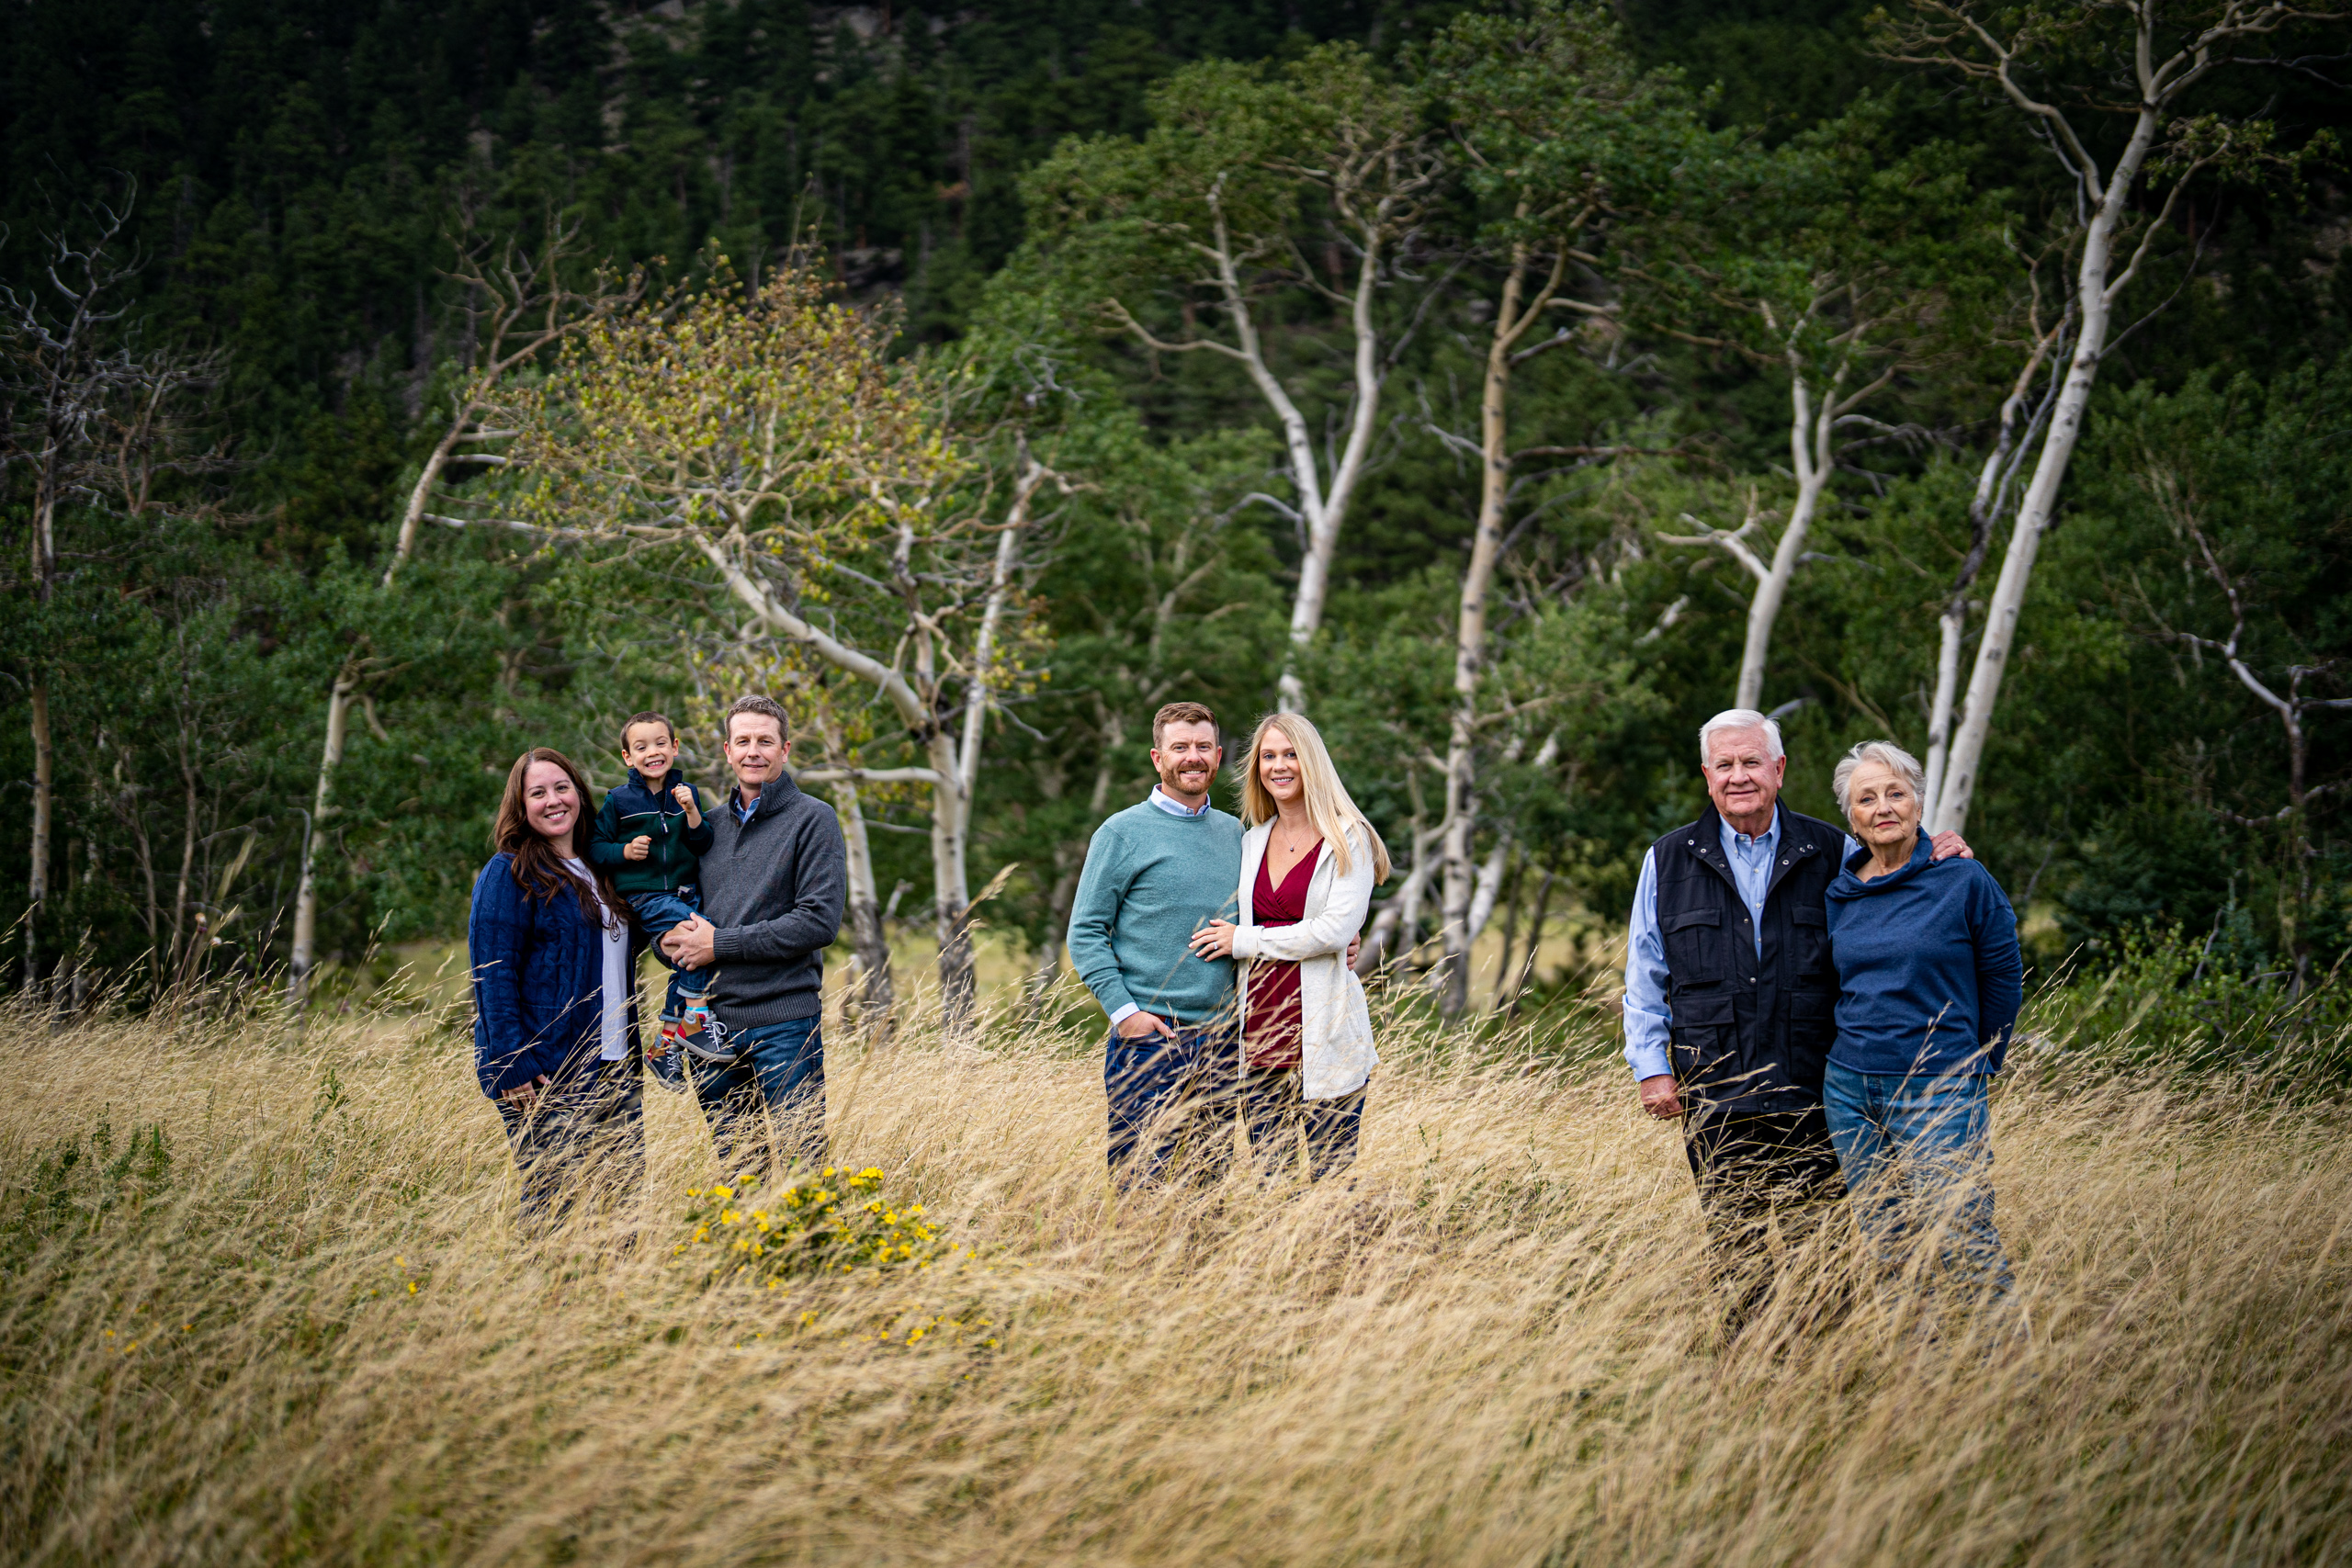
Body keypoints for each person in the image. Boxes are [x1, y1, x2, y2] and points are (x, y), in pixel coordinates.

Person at [1622, 708, 1972, 1333]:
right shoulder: (1668, 860)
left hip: (1817, 1088)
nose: (1738, 775)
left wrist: (1938, 849)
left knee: (1825, 1250)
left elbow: (1896, 873)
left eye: (1751, 761)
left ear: (1779, 770)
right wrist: (1652, 1068)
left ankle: (1824, 1386)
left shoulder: (1832, 850)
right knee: (1737, 1251)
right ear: (1707, 776)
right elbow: (1645, 976)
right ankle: (1753, 1385)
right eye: (1724, 764)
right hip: (1716, 1091)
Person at [1821, 739, 2024, 1313]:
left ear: (1918, 802)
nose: (1883, 807)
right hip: (1849, 1091)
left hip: (1939, 1088)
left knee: (1965, 1240)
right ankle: (1920, 1385)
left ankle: (2016, 1384)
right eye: (1867, 798)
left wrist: (1982, 1060)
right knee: (1890, 1250)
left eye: (1896, 793)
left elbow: (2003, 975)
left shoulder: (1962, 879)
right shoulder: (1839, 889)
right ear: (1852, 817)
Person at [1189, 711, 1387, 1181]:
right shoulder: (1253, 841)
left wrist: (1245, 941)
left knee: (1331, 1182)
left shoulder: (1347, 837)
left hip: (1326, 1035)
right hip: (1257, 1035)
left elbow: (1335, 930)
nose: (1279, 766)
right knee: (1269, 1185)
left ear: (1312, 761)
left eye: (1291, 754)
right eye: (1268, 756)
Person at [657, 695, 847, 1175]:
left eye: (765, 741)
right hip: (709, 1028)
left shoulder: (813, 818)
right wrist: (667, 942)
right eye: (743, 741)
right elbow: (675, 908)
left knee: (804, 1169)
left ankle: (814, 1251)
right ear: (726, 750)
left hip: (783, 1019)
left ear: (785, 750)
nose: (753, 751)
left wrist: (719, 945)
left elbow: (818, 921)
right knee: (740, 1172)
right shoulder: (704, 827)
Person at [1066, 700, 1246, 1185]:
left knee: (1208, 1190)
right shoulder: (1122, 833)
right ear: (1157, 758)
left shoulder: (1236, 834)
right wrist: (1126, 1015)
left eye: (1203, 747)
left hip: (1223, 1042)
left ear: (1218, 754)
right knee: (1140, 1185)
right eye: (1180, 747)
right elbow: (1085, 931)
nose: (1193, 757)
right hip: (1150, 1041)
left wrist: (1339, 938)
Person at [469, 747, 644, 1232]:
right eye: (537, 792)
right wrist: (510, 1062)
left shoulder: (602, 871)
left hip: (615, 1065)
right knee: (554, 1207)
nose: (553, 801)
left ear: (579, 795)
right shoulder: (508, 873)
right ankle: (545, 1303)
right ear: (520, 806)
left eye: (561, 788)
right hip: (548, 1072)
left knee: (622, 1208)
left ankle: (613, 1302)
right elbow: (491, 974)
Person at [585, 711, 720, 1077]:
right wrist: (625, 852)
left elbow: (703, 842)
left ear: (674, 747)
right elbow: (595, 847)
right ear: (628, 757)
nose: (653, 752)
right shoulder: (619, 800)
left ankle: (664, 1045)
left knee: (687, 956)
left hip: (685, 892)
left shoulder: (686, 794)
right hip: (644, 895)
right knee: (701, 936)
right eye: (641, 747)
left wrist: (692, 811)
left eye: (661, 743)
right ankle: (696, 1017)